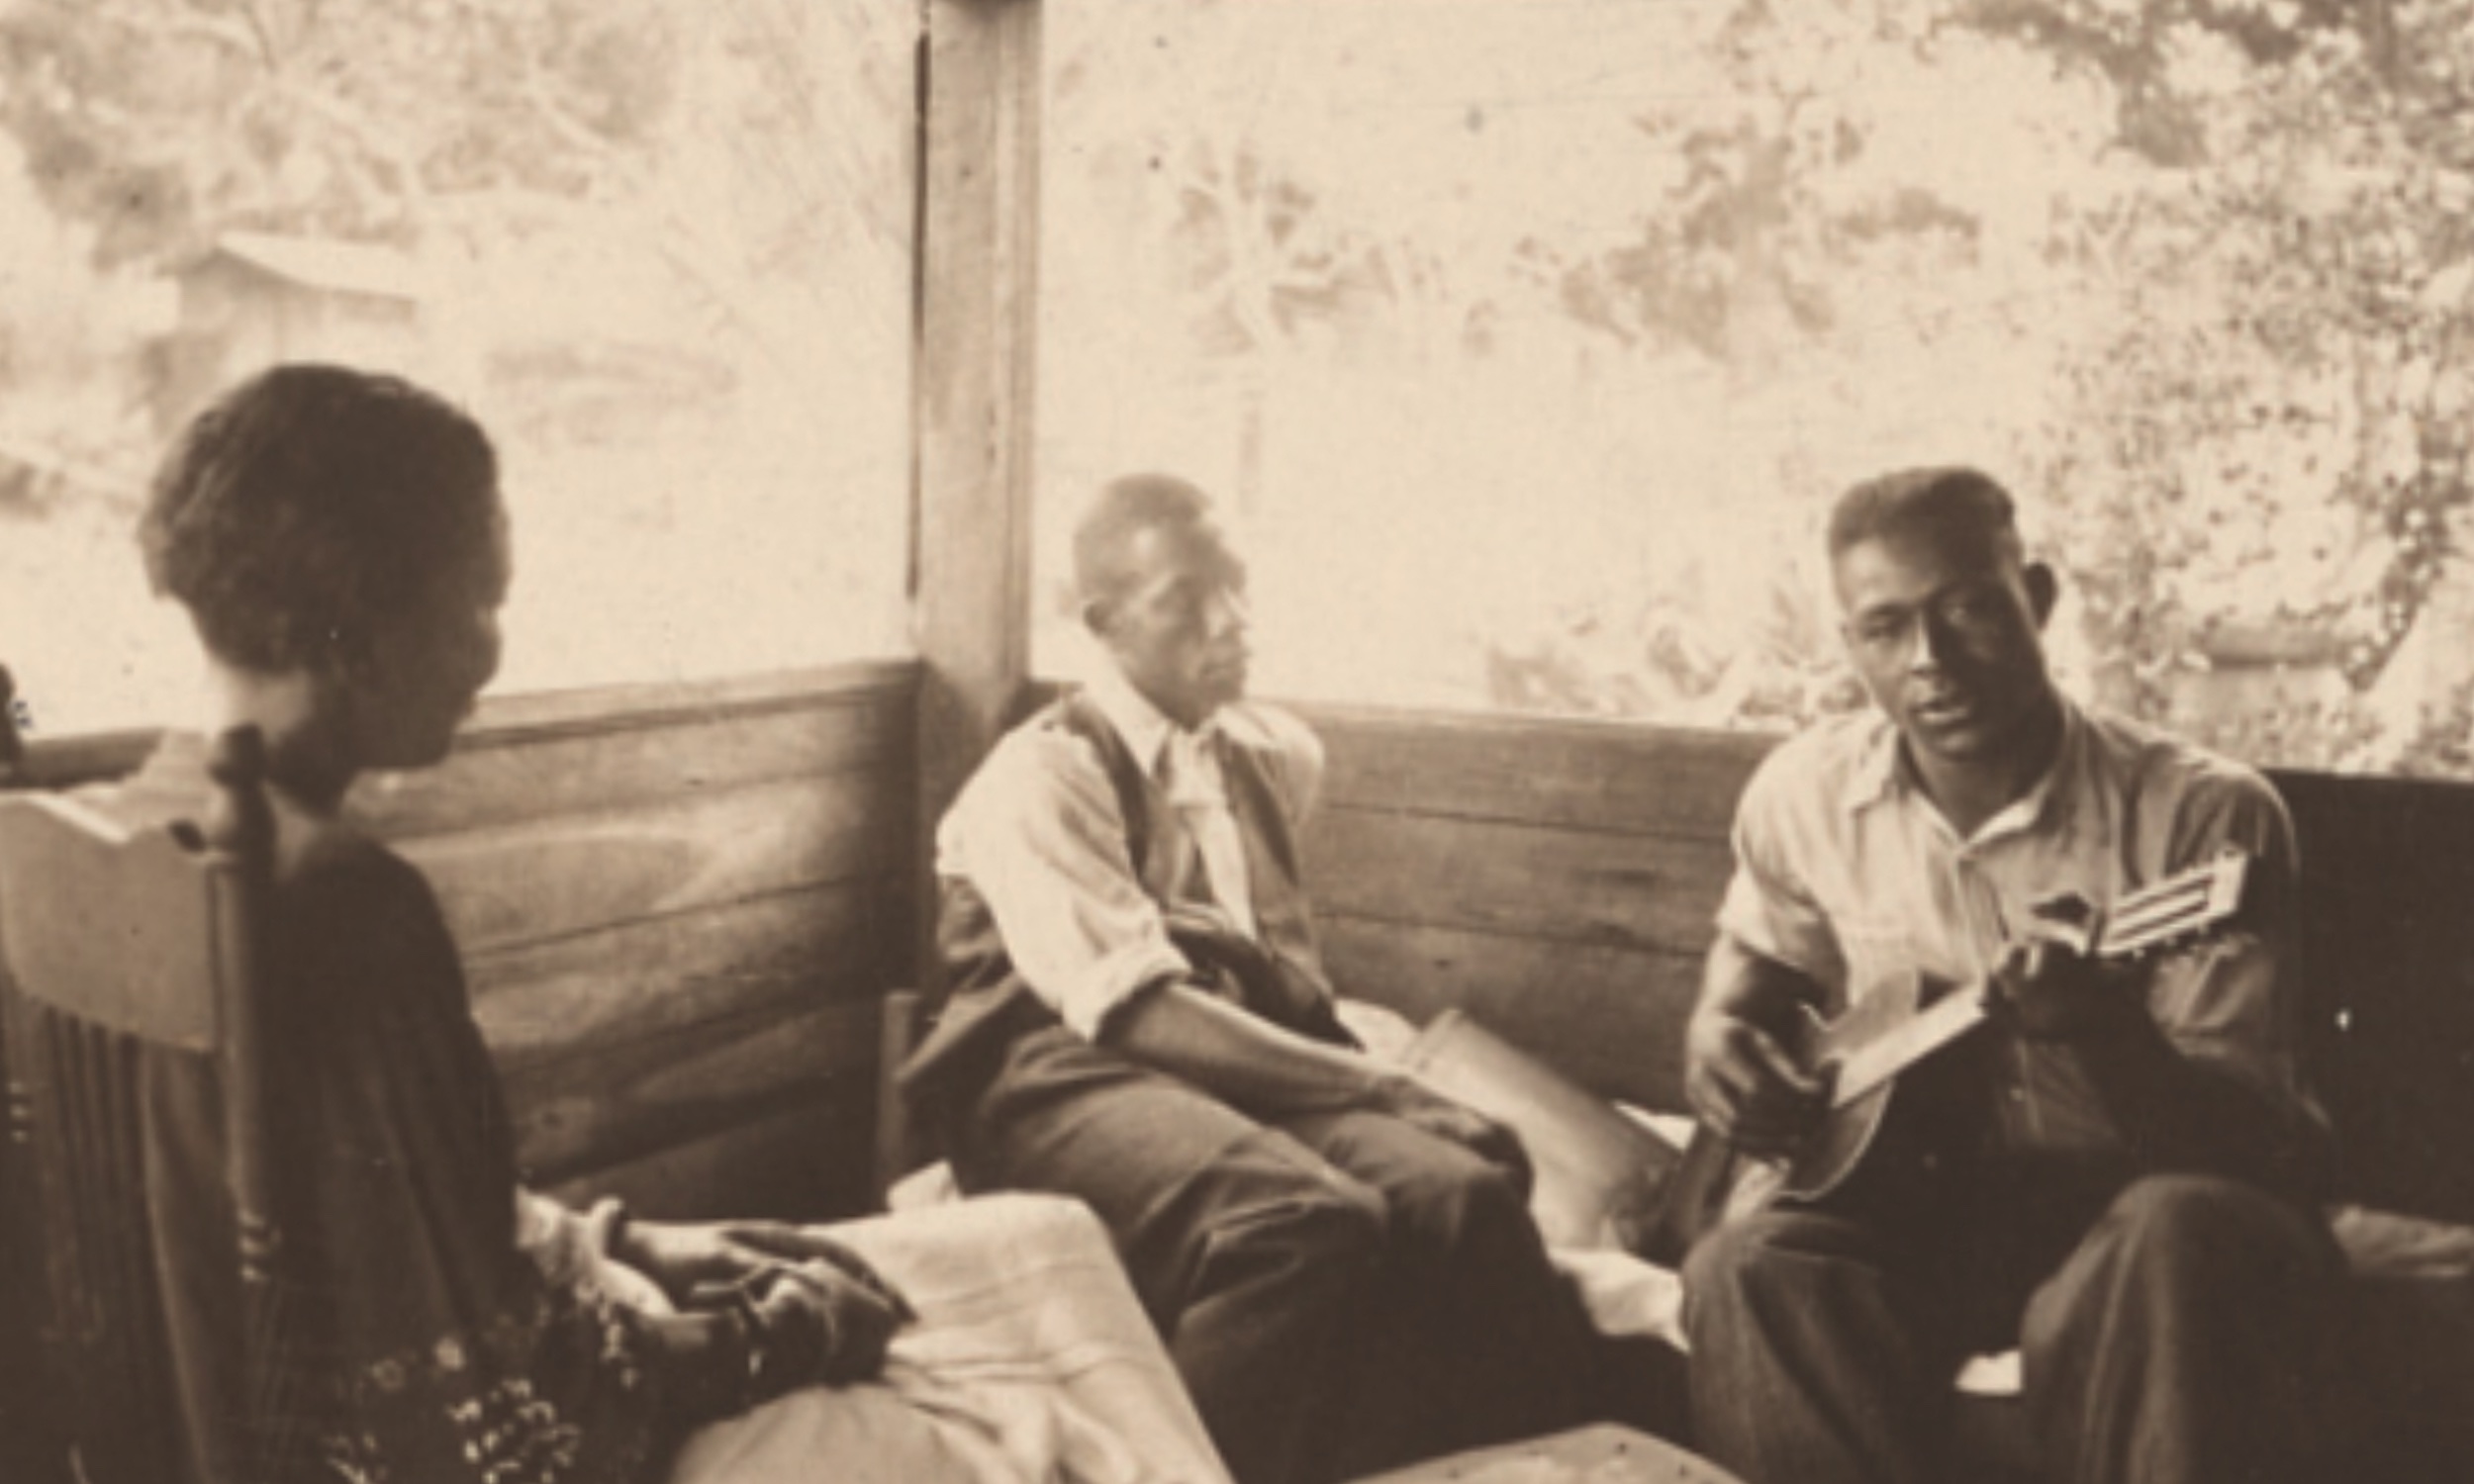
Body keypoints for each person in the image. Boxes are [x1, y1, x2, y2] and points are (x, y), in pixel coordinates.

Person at [115, 363, 1227, 1484]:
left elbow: (372, 1226)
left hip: (359, 1401)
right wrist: (786, 1334)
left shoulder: (140, 831)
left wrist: (621, 1245)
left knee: (1041, 1236)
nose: (491, 656)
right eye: (479, 603)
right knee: (1042, 1424)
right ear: (360, 625)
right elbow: (516, 1409)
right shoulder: (339, 906)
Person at [900, 474, 1607, 1484]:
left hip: (1211, 1066)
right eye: (1185, 601)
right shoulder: (1039, 776)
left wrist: (1364, 1081)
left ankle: (1515, 1458)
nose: (1229, 623)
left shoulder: (1270, 756)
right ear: (1104, 624)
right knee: (1299, 1220)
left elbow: (1247, 970)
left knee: (1465, 1188)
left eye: (1234, 589)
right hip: (1054, 1079)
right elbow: (1133, 1012)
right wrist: (1379, 1081)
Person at [1676, 466, 2341, 1484]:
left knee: (2177, 1229)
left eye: (1968, 611)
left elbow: (2249, 1148)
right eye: (1886, 629)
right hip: (1929, 1205)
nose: (1929, 661)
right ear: (1851, 645)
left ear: (2035, 599)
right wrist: (1717, 1029)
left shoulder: (2203, 817)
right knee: (1745, 1266)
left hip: (2133, 1211)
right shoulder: (1802, 793)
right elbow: (1756, 952)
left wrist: (2102, 1032)